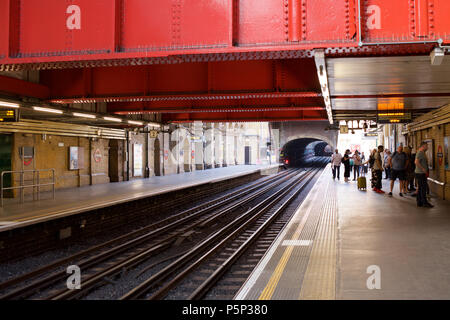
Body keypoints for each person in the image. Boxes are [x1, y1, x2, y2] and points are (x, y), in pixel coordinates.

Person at [415, 141, 433, 208]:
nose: (427, 147)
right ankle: (424, 202)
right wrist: (423, 169)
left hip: (420, 173)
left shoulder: (422, 153)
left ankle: (419, 202)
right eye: (426, 146)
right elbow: (416, 162)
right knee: (423, 188)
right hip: (420, 173)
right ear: (423, 146)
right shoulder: (420, 153)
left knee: (420, 188)